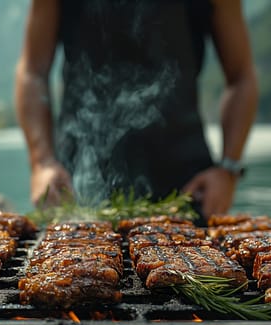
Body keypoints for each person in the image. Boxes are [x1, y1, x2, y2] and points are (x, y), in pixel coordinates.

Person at [15, 0, 257, 220]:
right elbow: (32, 72)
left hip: (187, 189)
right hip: (78, 185)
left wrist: (228, 170)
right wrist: (42, 162)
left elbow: (241, 77)